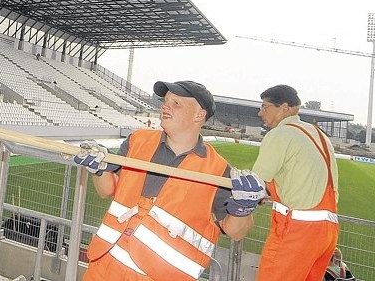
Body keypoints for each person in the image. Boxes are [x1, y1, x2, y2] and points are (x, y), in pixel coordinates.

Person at [74, 80, 265, 281]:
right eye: (165, 101)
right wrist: (98, 169)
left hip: (159, 275)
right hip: (105, 266)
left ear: (199, 115)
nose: (165, 106)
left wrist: (243, 206)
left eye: (176, 103)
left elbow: (235, 231)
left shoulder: (217, 170)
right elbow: (107, 189)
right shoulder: (137, 140)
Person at [253, 85, 339, 281]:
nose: (260, 112)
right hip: (327, 232)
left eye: (265, 106)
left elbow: (254, 183)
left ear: (284, 108)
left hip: (297, 230)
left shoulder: (280, 134)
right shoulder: (319, 135)